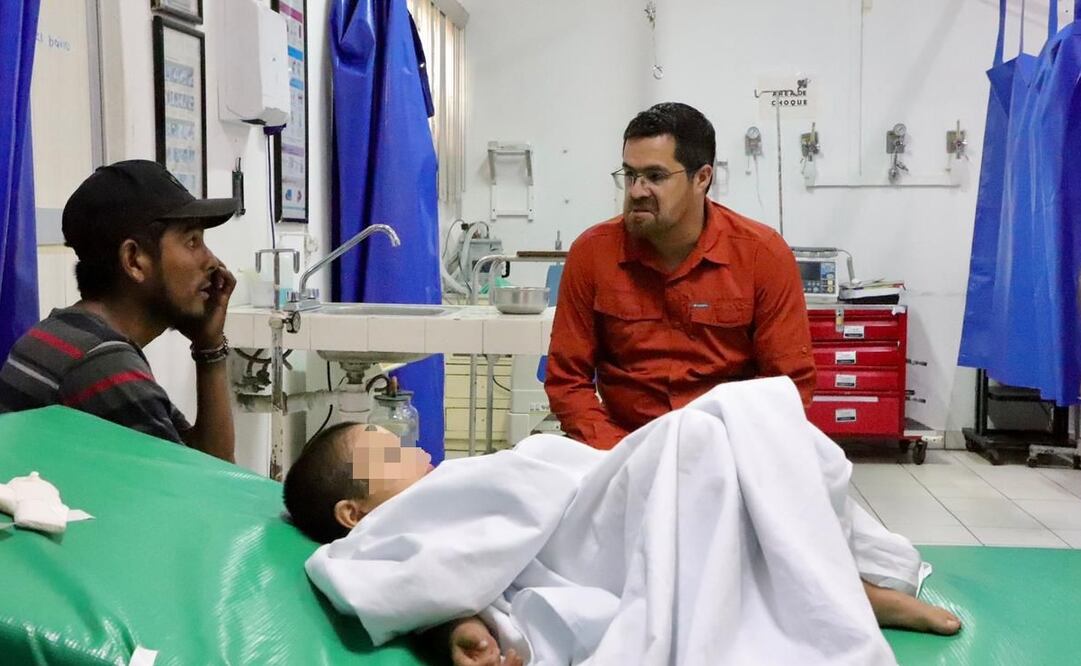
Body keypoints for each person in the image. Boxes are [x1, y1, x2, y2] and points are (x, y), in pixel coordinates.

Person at [285, 381, 961, 666]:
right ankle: (838, 589)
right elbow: (427, 584)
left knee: (746, 419)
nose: (410, 447)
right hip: (584, 537)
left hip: (586, 497)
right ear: (353, 511)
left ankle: (834, 579)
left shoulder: (433, 497)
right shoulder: (377, 538)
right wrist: (456, 628)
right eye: (386, 451)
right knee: (703, 438)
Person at [545, 102, 816, 449]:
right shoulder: (592, 253)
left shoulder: (762, 256)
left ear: (702, 178)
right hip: (621, 449)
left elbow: (788, 385)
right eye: (629, 175)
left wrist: (731, 455)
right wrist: (619, 453)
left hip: (729, 450)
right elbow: (567, 381)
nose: (636, 191)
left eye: (655, 176)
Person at [0, 160, 238, 462]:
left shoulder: (63, 333)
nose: (212, 261)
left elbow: (204, 464)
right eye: (192, 241)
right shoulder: (101, 366)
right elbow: (213, 480)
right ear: (134, 260)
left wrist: (209, 347)